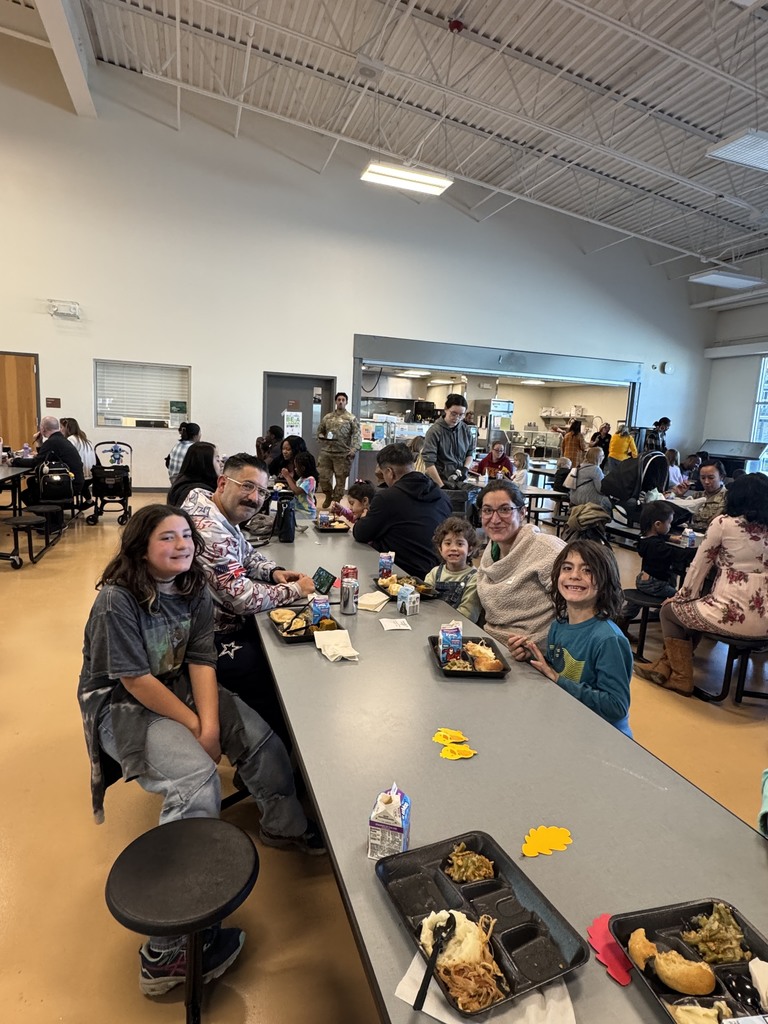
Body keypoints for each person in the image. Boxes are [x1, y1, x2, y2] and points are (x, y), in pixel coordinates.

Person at [77, 506, 325, 995]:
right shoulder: (117, 599)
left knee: (261, 739)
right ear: (139, 548)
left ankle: (283, 825)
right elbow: (134, 679)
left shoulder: (193, 590)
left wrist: (211, 726)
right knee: (195, 781)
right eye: (167, 538)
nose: (182, 545)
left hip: (177, 686)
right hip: (124, 706)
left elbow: (201, 660)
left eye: (187, 536)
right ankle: (164, 955)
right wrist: (196, 728)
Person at [182, 454, 315, 736]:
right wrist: (295, 589)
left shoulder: (211, 506)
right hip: (204, 636)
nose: (255, 498)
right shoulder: (210, 530)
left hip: (206, 620)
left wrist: (274, 572)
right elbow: (242, 599)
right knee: (278, 669)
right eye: (247, 486)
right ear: (222, 482)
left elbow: (246, 553)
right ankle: (268, 754)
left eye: (262, 491)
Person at [635, 474, 768, 695]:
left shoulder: (724, 523)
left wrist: (680, 597)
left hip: (732, 616)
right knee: (695, 610)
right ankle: (663, 666)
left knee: (670, 611)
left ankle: (680, 676)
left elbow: (699, 567)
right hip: (764, 621)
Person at [509, 541, 632, 737]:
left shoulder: (608, 639)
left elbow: (616, 706)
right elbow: (558, 669)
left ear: (605, 581)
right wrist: (532, 658)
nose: (575, 575)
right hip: (570, 722)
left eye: (588, 570)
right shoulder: (559, 626)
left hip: (604, 737)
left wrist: (558, 679)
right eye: (567, 568)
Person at [475, 479, 565, 650]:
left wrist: (538, 646)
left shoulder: (547, 550)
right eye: (487, 510)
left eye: (504, 510)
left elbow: (576, 610)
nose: (494, 519)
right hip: (490, 644)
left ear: (522, 512)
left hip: (534, 655)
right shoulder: (489, 553)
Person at [352, 443, 452, 578]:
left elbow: (361, 534)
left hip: (399, 575)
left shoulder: (387, 498)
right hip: (436, 576)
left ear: (389, 472)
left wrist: (363, 517)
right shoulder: (443, 497)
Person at [618, 500, 678, 631]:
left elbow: (657, 539)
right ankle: (672, 627)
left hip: (642, 580)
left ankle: (622, 621)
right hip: (656, 584)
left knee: (634, 603)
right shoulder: (657, 546)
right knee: (679, 598)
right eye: (669, 523)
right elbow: (674, 553)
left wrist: (669, 538)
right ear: (657, 524)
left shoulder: (644, 539)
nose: (670, 526)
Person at [12, 414, 84, 504]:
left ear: (42, 429)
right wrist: (39, 442)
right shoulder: (60, 439)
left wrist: (13, 461)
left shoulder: (52, 442)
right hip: (74, 480)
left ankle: (48, 515)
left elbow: (36, 462)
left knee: (26, 495)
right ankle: (51, 511)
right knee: (31, 481)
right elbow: (45, 457)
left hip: (68, 484)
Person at [423, 516, 481, 623]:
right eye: (448, 543)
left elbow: (468, 615)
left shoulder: (474, 578)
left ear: (470, 550)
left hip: (458, 631)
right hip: (431, 623)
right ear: (440, 549)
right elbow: (424, 601)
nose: (453, 548)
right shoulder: (435, 573)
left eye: (460, 544)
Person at [316, 392, 362, 508]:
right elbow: (320, 431)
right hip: (326, 452)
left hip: (343, 454)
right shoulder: (327, 417)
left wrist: (354, 449)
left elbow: (357, 435)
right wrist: (321, 436)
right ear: (336, 402)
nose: (341, 401)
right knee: (323, 478)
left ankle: (336, 502)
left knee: (340, 481)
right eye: (339, 400)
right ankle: (328, 495)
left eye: (343, 400)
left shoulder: (351, 418)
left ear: (346, 402)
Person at [421, 394, 475, 488]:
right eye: (453, 413)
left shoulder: (466, 430)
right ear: (446, 409)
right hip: (438, 482)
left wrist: (465, 469)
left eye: (461, 415)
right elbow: (429, 463)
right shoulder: (434, 432)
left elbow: (470, 453)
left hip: (458, 481)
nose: (457, 418)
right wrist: (441, 485)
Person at [168, 441, 223, 506]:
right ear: (206, 465)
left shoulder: (182, 481)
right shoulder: (199, 494)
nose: (221, 464)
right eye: (217, 460)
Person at [60, 417, 98, 501]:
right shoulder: (84, 439)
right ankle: (89, 501)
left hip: (81, 476)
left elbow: (66, 456)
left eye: (61, 427)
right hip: (91, 474)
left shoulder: (71, 440)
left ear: (67, 428)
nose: (60, 430)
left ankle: (64, 503)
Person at [566, 447, 611, 512]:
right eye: (602, 455)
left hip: (573, 498)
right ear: (598, 457)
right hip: (586, 499)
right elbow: (600, 489)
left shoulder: (580, 466)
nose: (604, 457)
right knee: (610, 503)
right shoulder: (595, 469)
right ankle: (599, 520)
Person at [690, 460, 728, 533]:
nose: (706, 482)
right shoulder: (697, 496)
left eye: (711, 478)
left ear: (721, 477)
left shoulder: (728, 497)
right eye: (703, 478)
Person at [279, 450, 317, 520]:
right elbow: (295, 485)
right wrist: (288, 477)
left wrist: (287, 476)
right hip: (298, 510)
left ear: (303, 468)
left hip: (307, 513)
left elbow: (296, 491)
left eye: (296, 467)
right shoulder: (302, 478)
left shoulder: (310, 480)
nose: (295, 469)